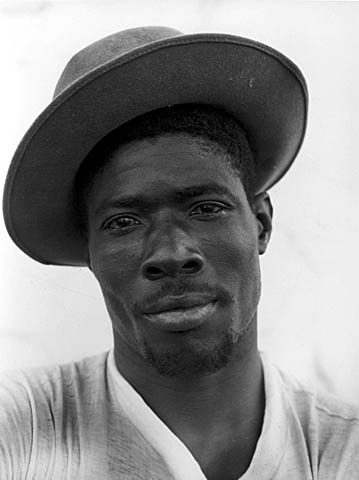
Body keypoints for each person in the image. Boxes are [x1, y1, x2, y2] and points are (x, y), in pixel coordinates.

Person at [1, 26, 358, 480]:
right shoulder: (24, 428)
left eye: (207, 208)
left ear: (261, 223)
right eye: (123, 222)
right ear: (89, 249)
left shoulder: (343, 451)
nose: (171, 253)